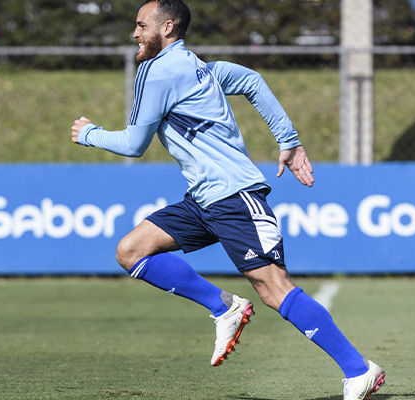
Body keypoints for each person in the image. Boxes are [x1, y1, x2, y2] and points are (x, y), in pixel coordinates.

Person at [70, 1, 385, 398]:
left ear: (166, 28)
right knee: (132, 250)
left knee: (274, 288)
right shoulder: (205, 68)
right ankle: (223, 307)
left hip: (234, 197)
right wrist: (287, 140)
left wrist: (90, 133)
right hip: (204, 199)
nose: (134, 34)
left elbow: (135, 143)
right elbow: (252, 80)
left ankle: (359, 370)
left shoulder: (157, 70)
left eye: (140, 25)